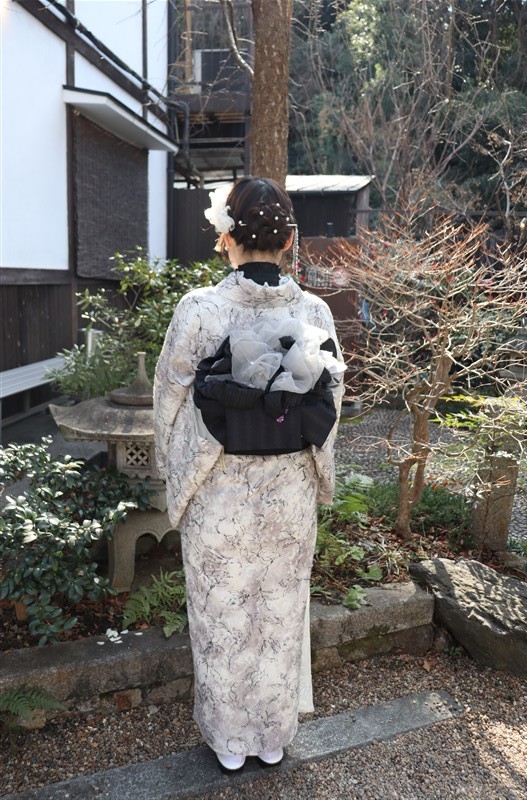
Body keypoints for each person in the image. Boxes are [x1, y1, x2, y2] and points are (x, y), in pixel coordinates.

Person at [153, 177, 345, 774]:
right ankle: (272, 736)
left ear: (226, 238)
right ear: (288, 241)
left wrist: (174, 473)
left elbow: (170, 400)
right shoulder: (313, 311)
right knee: (280, 612)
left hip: (219, 489)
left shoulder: (200, 309)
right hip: (289, 489)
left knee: (224, 614)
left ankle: (230, 742)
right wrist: (316, 473)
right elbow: (330, 403)